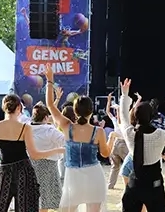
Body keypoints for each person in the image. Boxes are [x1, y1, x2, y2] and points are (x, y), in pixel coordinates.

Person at [0, 80, 64, 212]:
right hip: (24, 172)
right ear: (19, 108)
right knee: (24, 208)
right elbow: (35, 155)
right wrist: (58, 150)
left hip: (5, 171)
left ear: (4, 107)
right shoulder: (25, 128)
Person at [45, 65, 116, 212]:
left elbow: (50, 105)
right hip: (94, 175)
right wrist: (112, 139)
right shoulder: (98, 131)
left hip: (73, 176)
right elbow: (105, 153)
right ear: (91, 111)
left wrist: (50, 81)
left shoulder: (67, 126)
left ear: (75, 111)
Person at [118, 78, 165, 211]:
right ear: (151, 116)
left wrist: (124, 95)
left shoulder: (130, 133)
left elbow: (123, 116)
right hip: (154, 184)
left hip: (135, 182)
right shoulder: (160, 134)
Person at [29, 102, 65, 212]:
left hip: (30, 164)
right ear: (46, 117)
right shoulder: (50, 130)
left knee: (33, 197)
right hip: (48, 165)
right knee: (45, 199)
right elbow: (65, 141)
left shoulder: (27, 128)